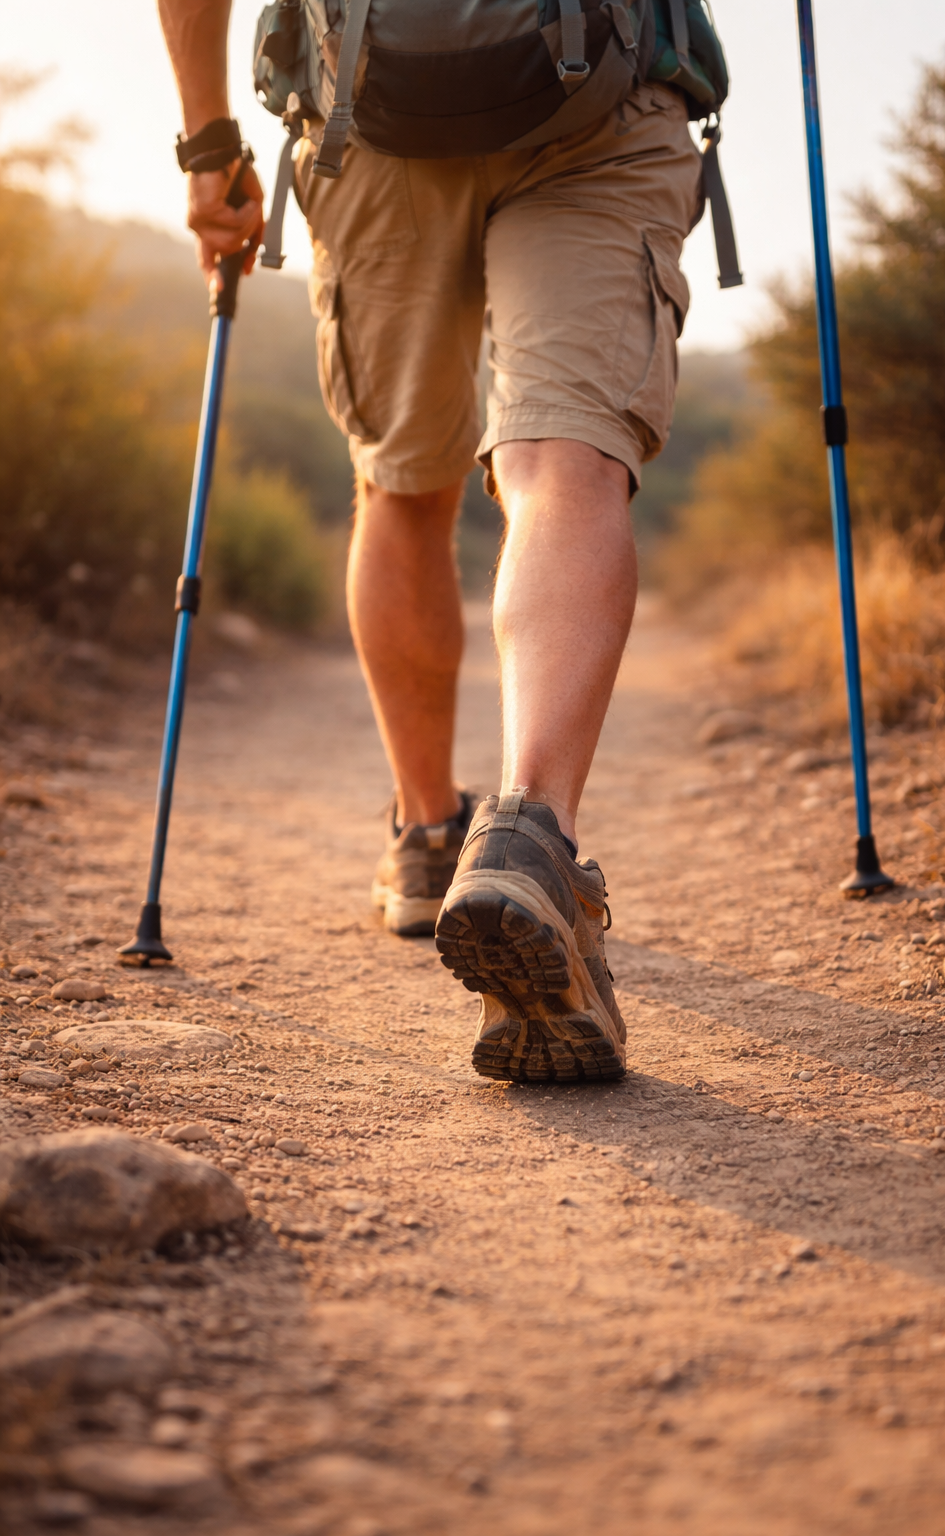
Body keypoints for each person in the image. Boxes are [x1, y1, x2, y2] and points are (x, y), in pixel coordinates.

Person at [158, 0, 704, 1084]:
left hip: (368, 108)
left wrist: (210, 144)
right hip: (600, 92)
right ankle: (530, 839)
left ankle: (424, 838)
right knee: (564, 461)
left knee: (402, 486)